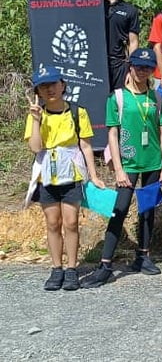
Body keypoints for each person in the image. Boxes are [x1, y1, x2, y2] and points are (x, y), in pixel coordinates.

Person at [82, 49, 162, 288]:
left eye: (148, 67)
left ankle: (143, 255)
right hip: (128, 163)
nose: (143, 71)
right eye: (139, 66)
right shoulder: (117, 97)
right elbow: (112, 133)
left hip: (152, 162)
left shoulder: (157, 97)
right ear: (130, 67)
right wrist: (118, 169)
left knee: (147, 210)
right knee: (118, 210)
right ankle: (105, 265)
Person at [24, 65, 105, 291]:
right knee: (52, 222)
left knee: (70, 222)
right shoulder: (35, 115)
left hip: (71, 172)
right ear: (38, 91)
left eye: (53, 84)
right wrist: (37, 121)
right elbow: (35, 147)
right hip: (47, 175)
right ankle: (56, 268)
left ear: (63, 85)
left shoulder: (78, 112)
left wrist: (94, 176)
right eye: (43, 86)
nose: (49, 89)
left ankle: (71, 268)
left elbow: (86, 146)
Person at [103, 0, 139, 91]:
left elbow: (133, 42)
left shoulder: (130, 10)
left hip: (119, 65)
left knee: (118, 103)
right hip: (94, 63)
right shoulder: (90, 5)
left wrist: (132, 69)